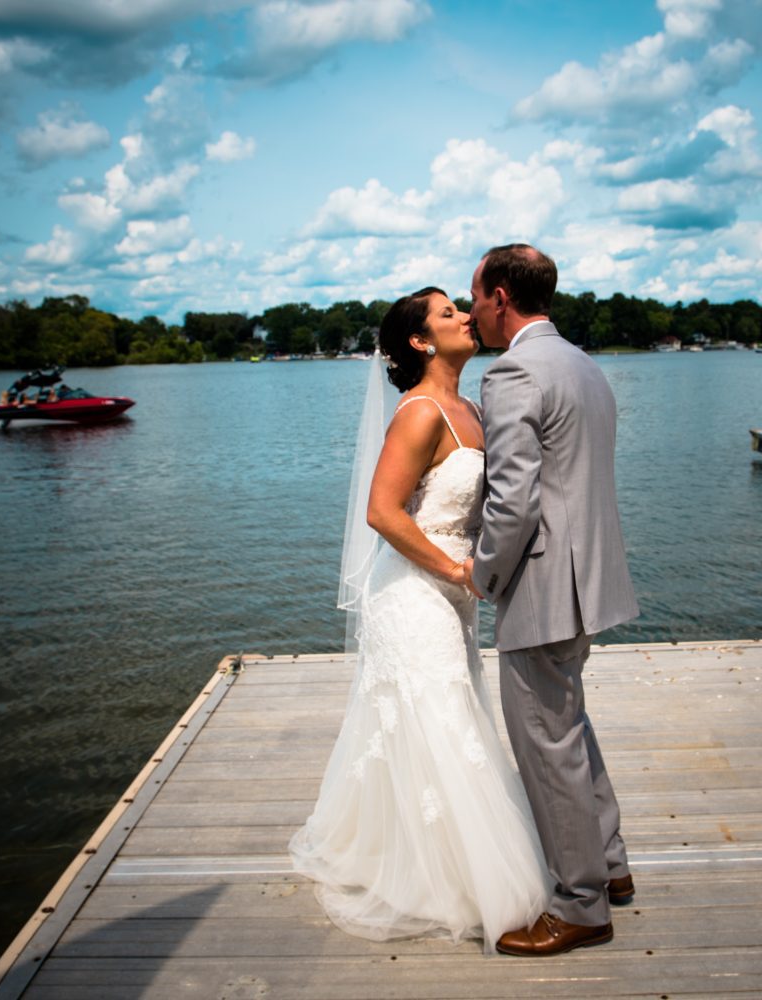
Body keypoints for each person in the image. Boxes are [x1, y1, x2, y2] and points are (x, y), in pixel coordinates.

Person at [289, 287, 549, 953]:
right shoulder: (420, 411)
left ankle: (422, 852)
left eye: (463, 308)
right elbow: (383, 512)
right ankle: (459, 881)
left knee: (445, 716)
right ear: (420, 341)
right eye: (448, 313)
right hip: (410, 590)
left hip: (456, 594)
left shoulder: (473, 407)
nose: (466, 316)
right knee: (442, 715)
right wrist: (457, 570)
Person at [462, 244, 641, 957]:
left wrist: (481, 576)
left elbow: (512, 505)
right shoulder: (583, 365)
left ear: (501, 296)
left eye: (476, 297)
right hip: (590, 579)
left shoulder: (513, 374)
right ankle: (611, 865)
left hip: (541, 589)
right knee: (570, 728)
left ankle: (580, 905)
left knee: (545, 744)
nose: (473, 312)